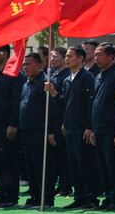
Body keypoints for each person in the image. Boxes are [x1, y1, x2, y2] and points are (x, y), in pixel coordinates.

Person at [45, 45, 98, 210]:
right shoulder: (68, 79)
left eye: (70, 56)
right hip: (70, 128)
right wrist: (54, 93)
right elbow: (65, 103)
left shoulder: (87, 77)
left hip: (82, 129)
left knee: (85, 164)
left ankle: (91, 198)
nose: (66, 59)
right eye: (66, 56)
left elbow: (90, 104)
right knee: (74, 166)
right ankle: (80, 196)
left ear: (81, 58)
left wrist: (89, 127)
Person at [0, 45, 26, 209]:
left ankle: (11, 196)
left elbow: (18, 101)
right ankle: (3, 194)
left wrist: (13, 123)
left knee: (8, 161)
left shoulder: (14, 74)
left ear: (5, 54)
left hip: (6, 125)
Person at [91, 42, 115, 211]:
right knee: (103, 166)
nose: (96, 58)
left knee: (113, 166)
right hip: (99, 128)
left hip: (110, 128)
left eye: (100, 55)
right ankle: (108, 197)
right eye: (96, 55)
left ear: (111, 57)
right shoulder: (100, 75)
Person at [19, 53, 57, 209]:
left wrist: (50, 131)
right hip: (26, 130)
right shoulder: (27, 82)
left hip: (40, 130)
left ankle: (46, 199)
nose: (25, 67)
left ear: (39, 65)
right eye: (24, 65)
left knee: (42, 167)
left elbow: (52, 109)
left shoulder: (46, 82)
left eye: (28, 64)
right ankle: (35, 197)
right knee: (31, 167)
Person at [50, 47, 72, 197]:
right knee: (55, 157)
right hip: (52, 122)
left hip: (63, 121)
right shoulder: (51, 77)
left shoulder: (67, 77)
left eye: (56, 57)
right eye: (51, 57)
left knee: (65, 156)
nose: (52, 59)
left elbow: (66, 102)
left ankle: (66, 185)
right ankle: (59, 183)